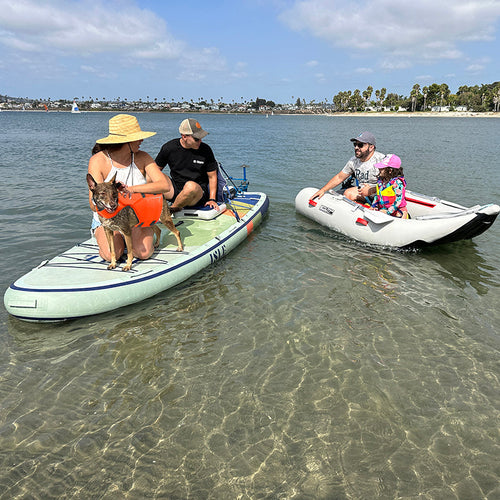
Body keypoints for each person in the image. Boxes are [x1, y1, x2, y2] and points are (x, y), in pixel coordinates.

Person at [88, 114, 174, 262]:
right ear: (125, 141)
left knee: (144, 253)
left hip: (137, 218)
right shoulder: (98, 160)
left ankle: (131, 239)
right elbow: (93, 205)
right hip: (108, 218)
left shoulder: (143, 157)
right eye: (138, 137)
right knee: (110, 255)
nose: (142, 140)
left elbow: (165, 185)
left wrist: (132, 190)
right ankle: (111, 239)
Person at [155, 118, 219, 212]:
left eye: (201, 138)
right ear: (184, 137)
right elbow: (155, 170)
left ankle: (171, 211)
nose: (200, 141)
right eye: (197, 139)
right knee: (151, 175)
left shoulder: (206, 150)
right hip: (175, 190)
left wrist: (212, 199)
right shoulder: (169, 148)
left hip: (197, 193)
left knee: (190, 186)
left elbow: (212, 176)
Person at [311, 131, 385, 203]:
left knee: (349, 193)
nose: (356, 147)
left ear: (371, 147)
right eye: (355, 144)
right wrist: (323, 190)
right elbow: (339, 177)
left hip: (379, 192)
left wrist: (372, 190)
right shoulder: (353, 161)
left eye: (360, 145)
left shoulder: (381, 160)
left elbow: (391, 183)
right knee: (341, 194)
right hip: (362, 192)